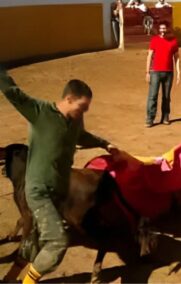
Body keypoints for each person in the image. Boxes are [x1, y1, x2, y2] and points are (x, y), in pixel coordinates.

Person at [0, 67, 118, 284]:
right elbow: (11, 91)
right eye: (82, 107)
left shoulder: (75, 122)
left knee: (33, 242)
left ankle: (8, 280)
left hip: (58, 194)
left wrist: (105, 144)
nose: (83, 113)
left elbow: (81, 136)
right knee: (58, 241)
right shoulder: (39, 111)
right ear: (69, 99)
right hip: (38, 191)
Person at [145, 21, 181, 127]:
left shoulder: (173, 41)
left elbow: (177, 58)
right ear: (158, 29)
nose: (162, 31)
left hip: (169, 72)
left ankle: (165, 117)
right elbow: (149, 56)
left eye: (164, 28)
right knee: (153, 96)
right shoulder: (155, 40)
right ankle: (150, 119)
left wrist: (179, 72)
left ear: (167, 29)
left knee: (166, 96)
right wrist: (147, 72)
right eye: (161, 28)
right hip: (155, 71)